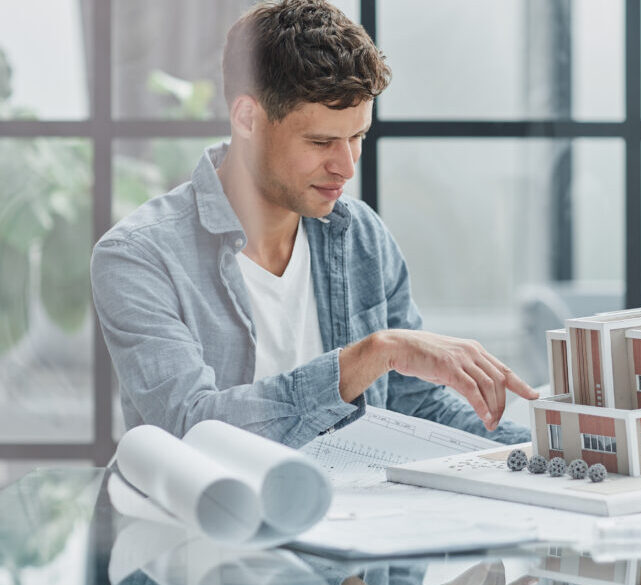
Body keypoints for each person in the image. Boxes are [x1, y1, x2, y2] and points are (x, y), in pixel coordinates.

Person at [90, 0, 538, 449]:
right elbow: (190, 427)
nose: (346, 167)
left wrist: (551, 448)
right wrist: (372, 355)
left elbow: (416, 406)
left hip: (363, 513)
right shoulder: (138, 257)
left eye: (357, 137)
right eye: (322, 141)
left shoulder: (361, 235)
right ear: (247, 118)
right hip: (211, 516)